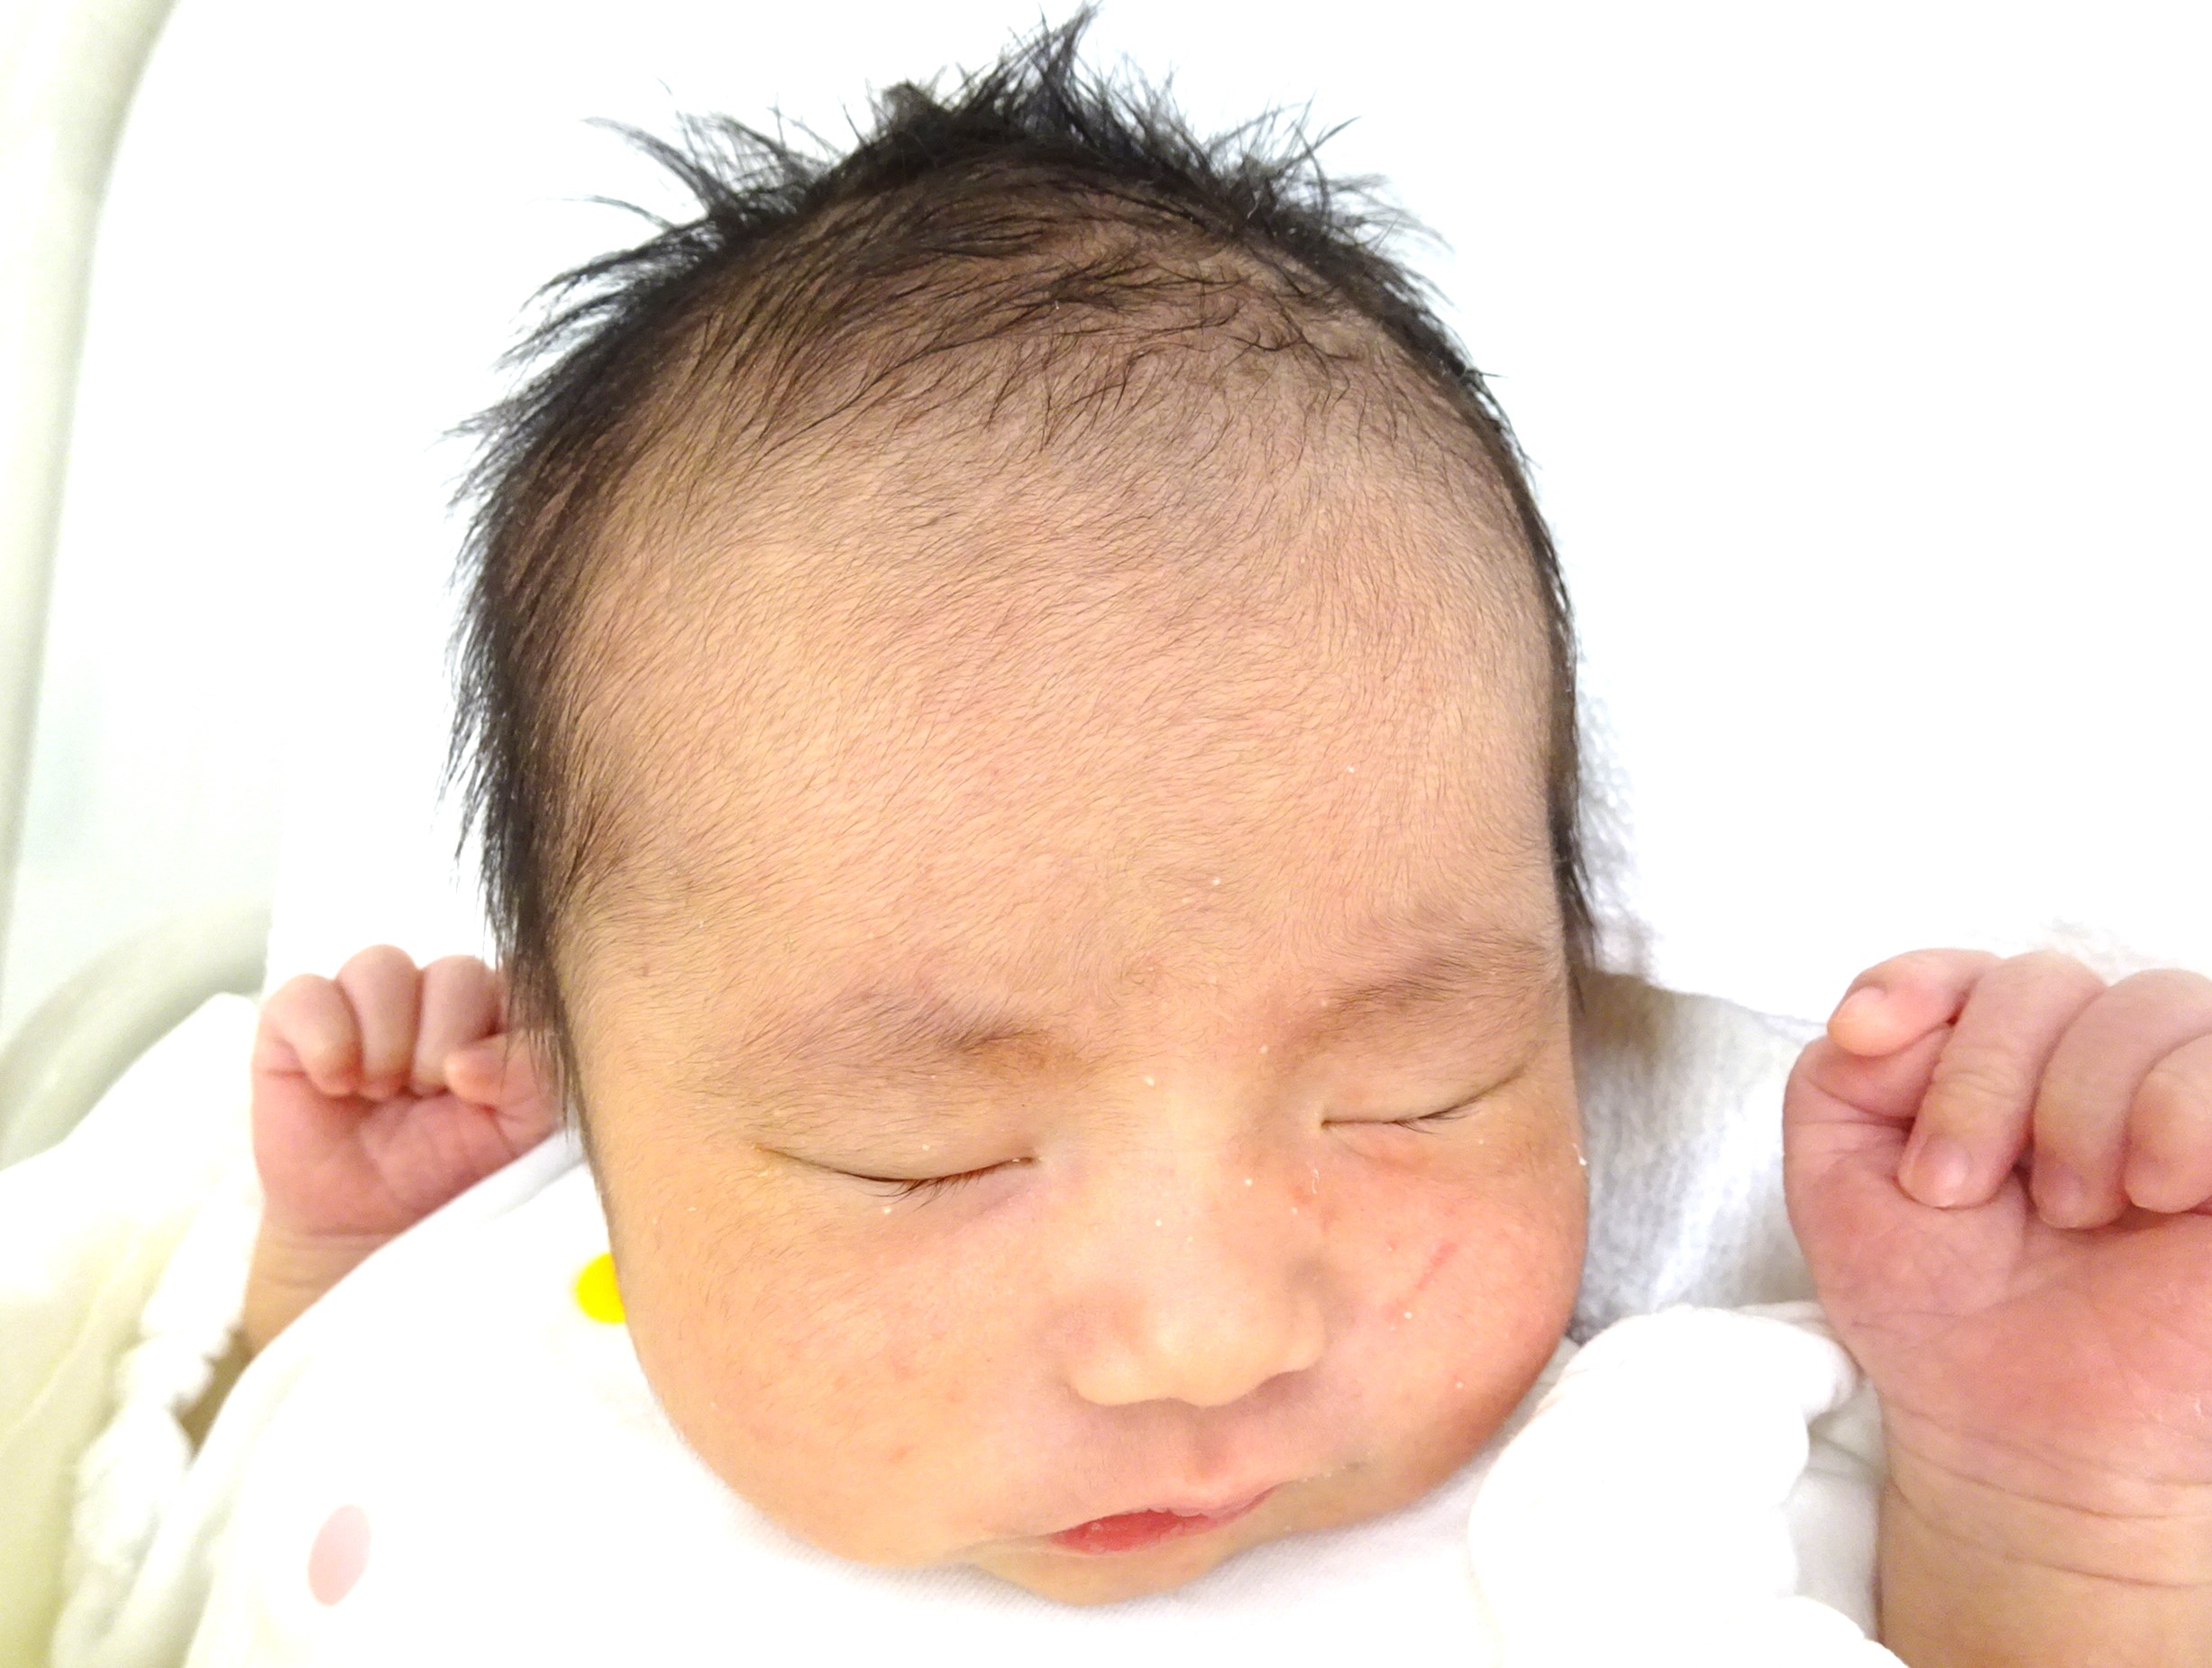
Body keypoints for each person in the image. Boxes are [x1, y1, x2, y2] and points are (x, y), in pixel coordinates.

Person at [70, 8, 2212, 1662]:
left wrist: (2056, 1515)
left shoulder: (1639, 1496)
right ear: (592, 1078)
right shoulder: (495, 1325)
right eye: (927, 1153)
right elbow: (144, 1592)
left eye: (1409, 1095)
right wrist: (326, 1297)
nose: (1205, 1333)